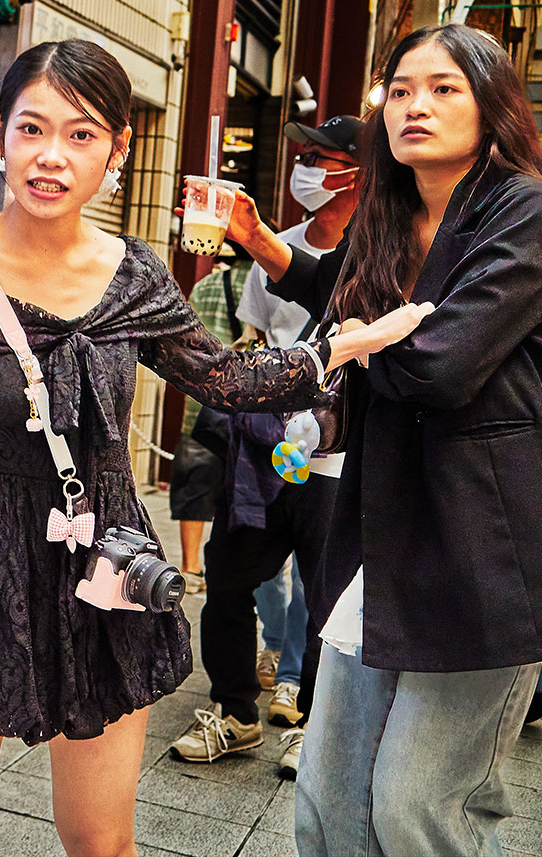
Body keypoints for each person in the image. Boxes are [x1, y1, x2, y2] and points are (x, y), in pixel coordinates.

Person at [0, 39, 429, 857]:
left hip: (102, 575)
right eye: (32, 129)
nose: (52, 156)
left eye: (81, 134)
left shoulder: (135, 277)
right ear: (1, 137)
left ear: (118, 149)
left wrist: (332, 349)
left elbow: (224, 378)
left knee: (99, 841)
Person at [231, 24, 542, 856]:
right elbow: (335, 305)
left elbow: (441, 365)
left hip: (489, 543)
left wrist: (357, 343)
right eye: (399, 90)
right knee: (328, 799)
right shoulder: (389, 214)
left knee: (420, 806)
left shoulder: (525, 209)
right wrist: (269, 252)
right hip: (386, 530)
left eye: (442, 88)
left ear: (493, 105)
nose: (414, 106)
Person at [171, 117, 362, 777]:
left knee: (327, 596)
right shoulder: (280, 249)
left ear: (358, 172)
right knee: (227, 576)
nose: (304, 167)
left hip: (338, 460)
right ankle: (235, 712)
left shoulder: (384, 250)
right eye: (301, 155)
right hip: (263, 454)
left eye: (320, 157)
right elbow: (254, 341)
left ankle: (314, 723)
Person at [167, 242, 252, 593]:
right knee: (246, 487)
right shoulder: (265, 286)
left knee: (195, 482)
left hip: (201, 405)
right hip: (250, 405)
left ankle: (191, 567)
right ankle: (233, 567)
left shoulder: (204, 287)